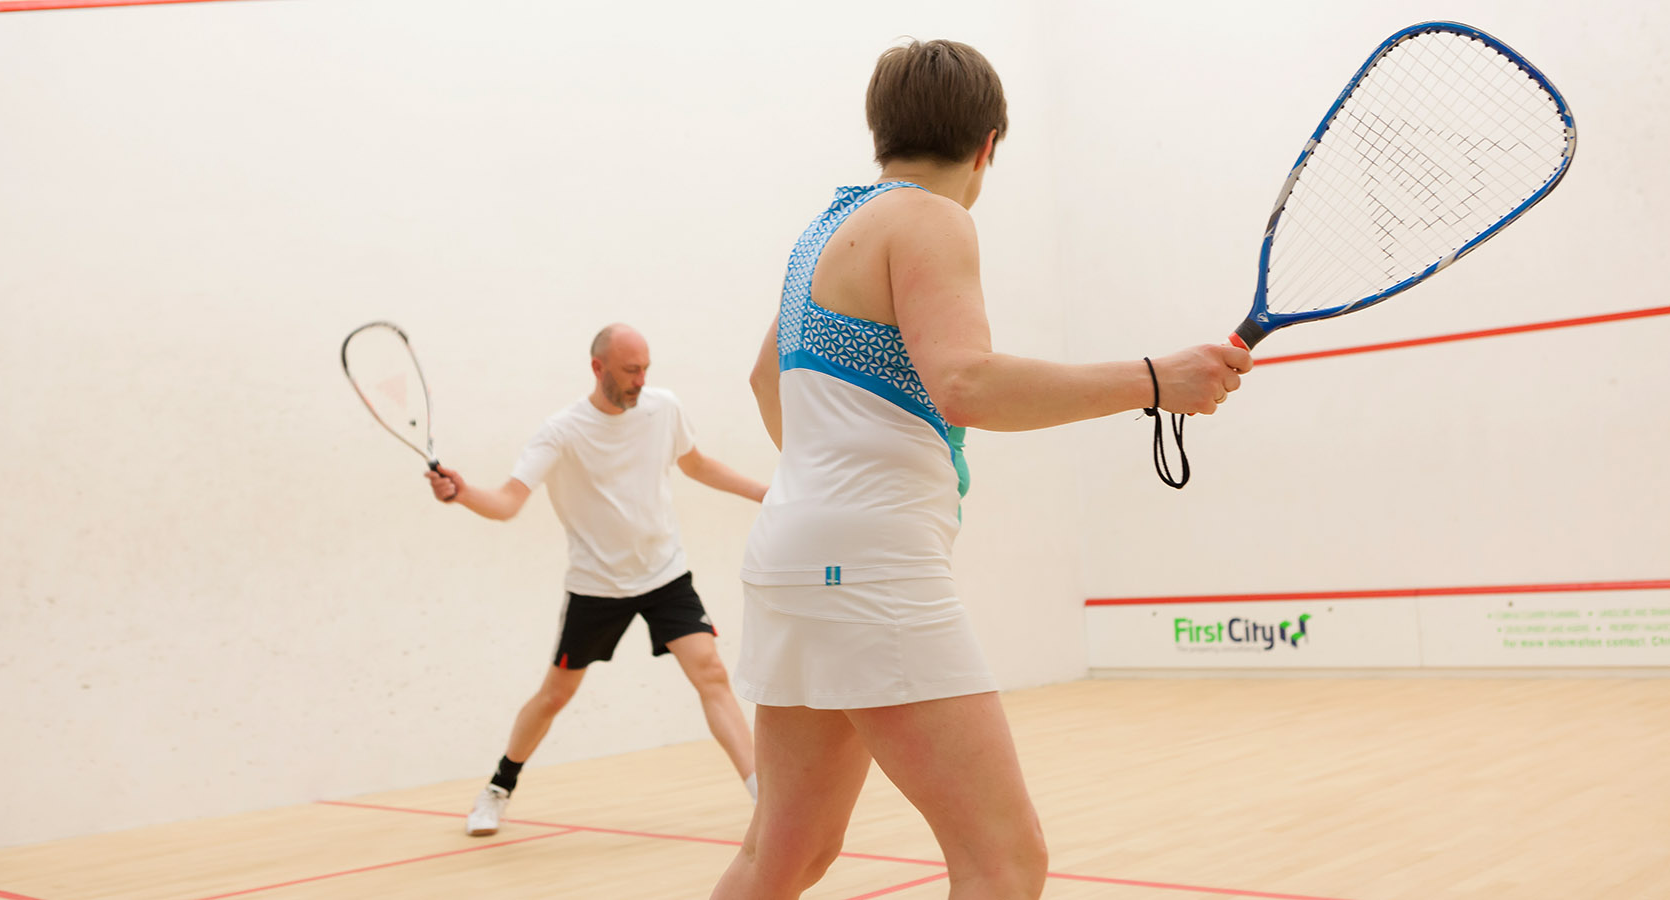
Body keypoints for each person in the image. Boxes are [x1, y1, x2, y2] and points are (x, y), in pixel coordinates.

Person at [709, 39, 1251, 899]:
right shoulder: (929, 217)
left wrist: (827, 487)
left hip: (792, 556)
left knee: (785, 852)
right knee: (1005, 857)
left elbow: (762, 378)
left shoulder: (823, 233)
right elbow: (964, 383)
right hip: (870, 570)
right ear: (990, 143)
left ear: (879, 131)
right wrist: (1156, 380)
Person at [427, 323, 767, 837]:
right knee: (555, 696)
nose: (641, 380)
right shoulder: (561, 431)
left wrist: (768, 493)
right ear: (598, 368)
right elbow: (507, 502)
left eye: (646, 368)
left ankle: (762, 796)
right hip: (596, 587)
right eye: (631, 370)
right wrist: (462, 492)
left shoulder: (663, 408)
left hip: (665, 574)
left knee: (711, 674)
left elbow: (697, 465)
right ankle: (498, 787)